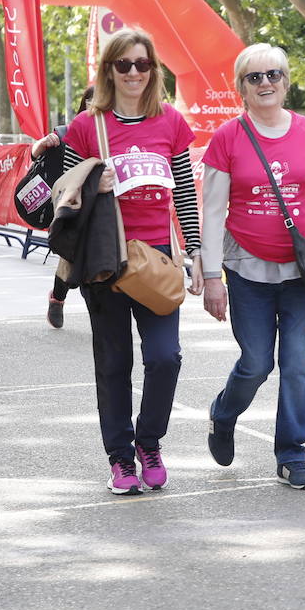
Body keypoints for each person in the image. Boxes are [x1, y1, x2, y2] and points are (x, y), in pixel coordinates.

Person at [201, 43, 305, 491]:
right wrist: (211, 276)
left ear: (286, 82)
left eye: (274, 75)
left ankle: (291, 456)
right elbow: (212, 211)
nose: (265, 83)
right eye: (254, 77)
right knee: (256, 364)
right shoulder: (228, 137)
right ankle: (223, 413)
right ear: (241, 88)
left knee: (298, 362)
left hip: (302, 272)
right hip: (247, 269)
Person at [62, 28, 202, 495]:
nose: (134, 73)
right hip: (106, 257)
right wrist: (86, 185)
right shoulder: (87, 125)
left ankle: (149, 442)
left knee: (166, 357)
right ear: (108, 71)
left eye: (142, 64)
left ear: (153, 70)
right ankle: (120, 458)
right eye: (124, 64)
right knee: (113, 362)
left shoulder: (170, 122)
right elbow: (58, 198)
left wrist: (197, 251)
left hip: (157, 258)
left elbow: (184, 191)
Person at [31, 86, 92, 328]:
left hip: (104, 203)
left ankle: (104, 314)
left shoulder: (113, 132)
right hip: (70, 201)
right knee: (71, 253)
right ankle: (57, 298)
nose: (94, 106)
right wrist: (45, 143)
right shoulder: (68, 131)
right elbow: (34, 155)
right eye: (90, 101)